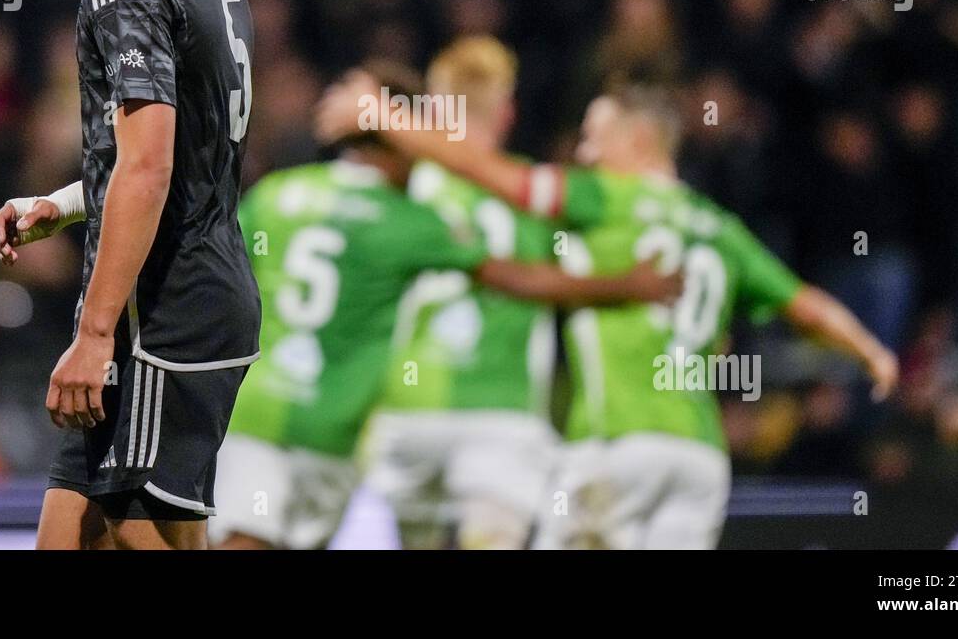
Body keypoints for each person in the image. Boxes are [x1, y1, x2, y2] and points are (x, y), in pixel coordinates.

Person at [317, 76, 899, 548]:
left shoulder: (605, 199)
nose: (585, 154)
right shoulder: (719, 227)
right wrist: (871, 350)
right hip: (699, 457)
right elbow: (806, 306)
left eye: (596, 138)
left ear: (638, 140)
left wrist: (386, 117)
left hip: (616, 444)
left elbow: (494, 175)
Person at [211, 61, 680, 550]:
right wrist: (628, 284)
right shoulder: (413, 219)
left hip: (281, 411)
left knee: (246, 536)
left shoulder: (276, 194)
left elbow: (220, 283)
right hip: (357, 426)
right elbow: (517, 277)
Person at [0, 0, 257, 550]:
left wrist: (97, 335)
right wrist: (65, 203)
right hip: (197, 296)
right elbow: (184, 150)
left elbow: (150, 163)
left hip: (161, 316)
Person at [362, 37, 565, 549]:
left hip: (406, 409)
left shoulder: (405, 186)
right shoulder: (537, 194)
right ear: (508, 112)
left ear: (434, 108)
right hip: (502, 410)